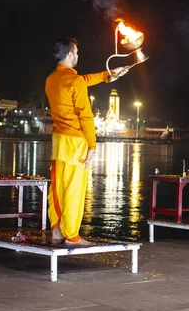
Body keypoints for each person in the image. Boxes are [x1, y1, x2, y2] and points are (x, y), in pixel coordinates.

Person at [45, 38, 128, 245]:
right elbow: (86, 116)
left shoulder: (51, 79)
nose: (78, 56)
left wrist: (108, 75)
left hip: (58, 141)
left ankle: (56, 231)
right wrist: (92, 145)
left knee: (57, 186)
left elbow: (82, 80)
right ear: (70, 54)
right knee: (73, 189)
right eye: (77, 52)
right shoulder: (75, 81)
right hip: (75, 143)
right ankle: (72, 236)